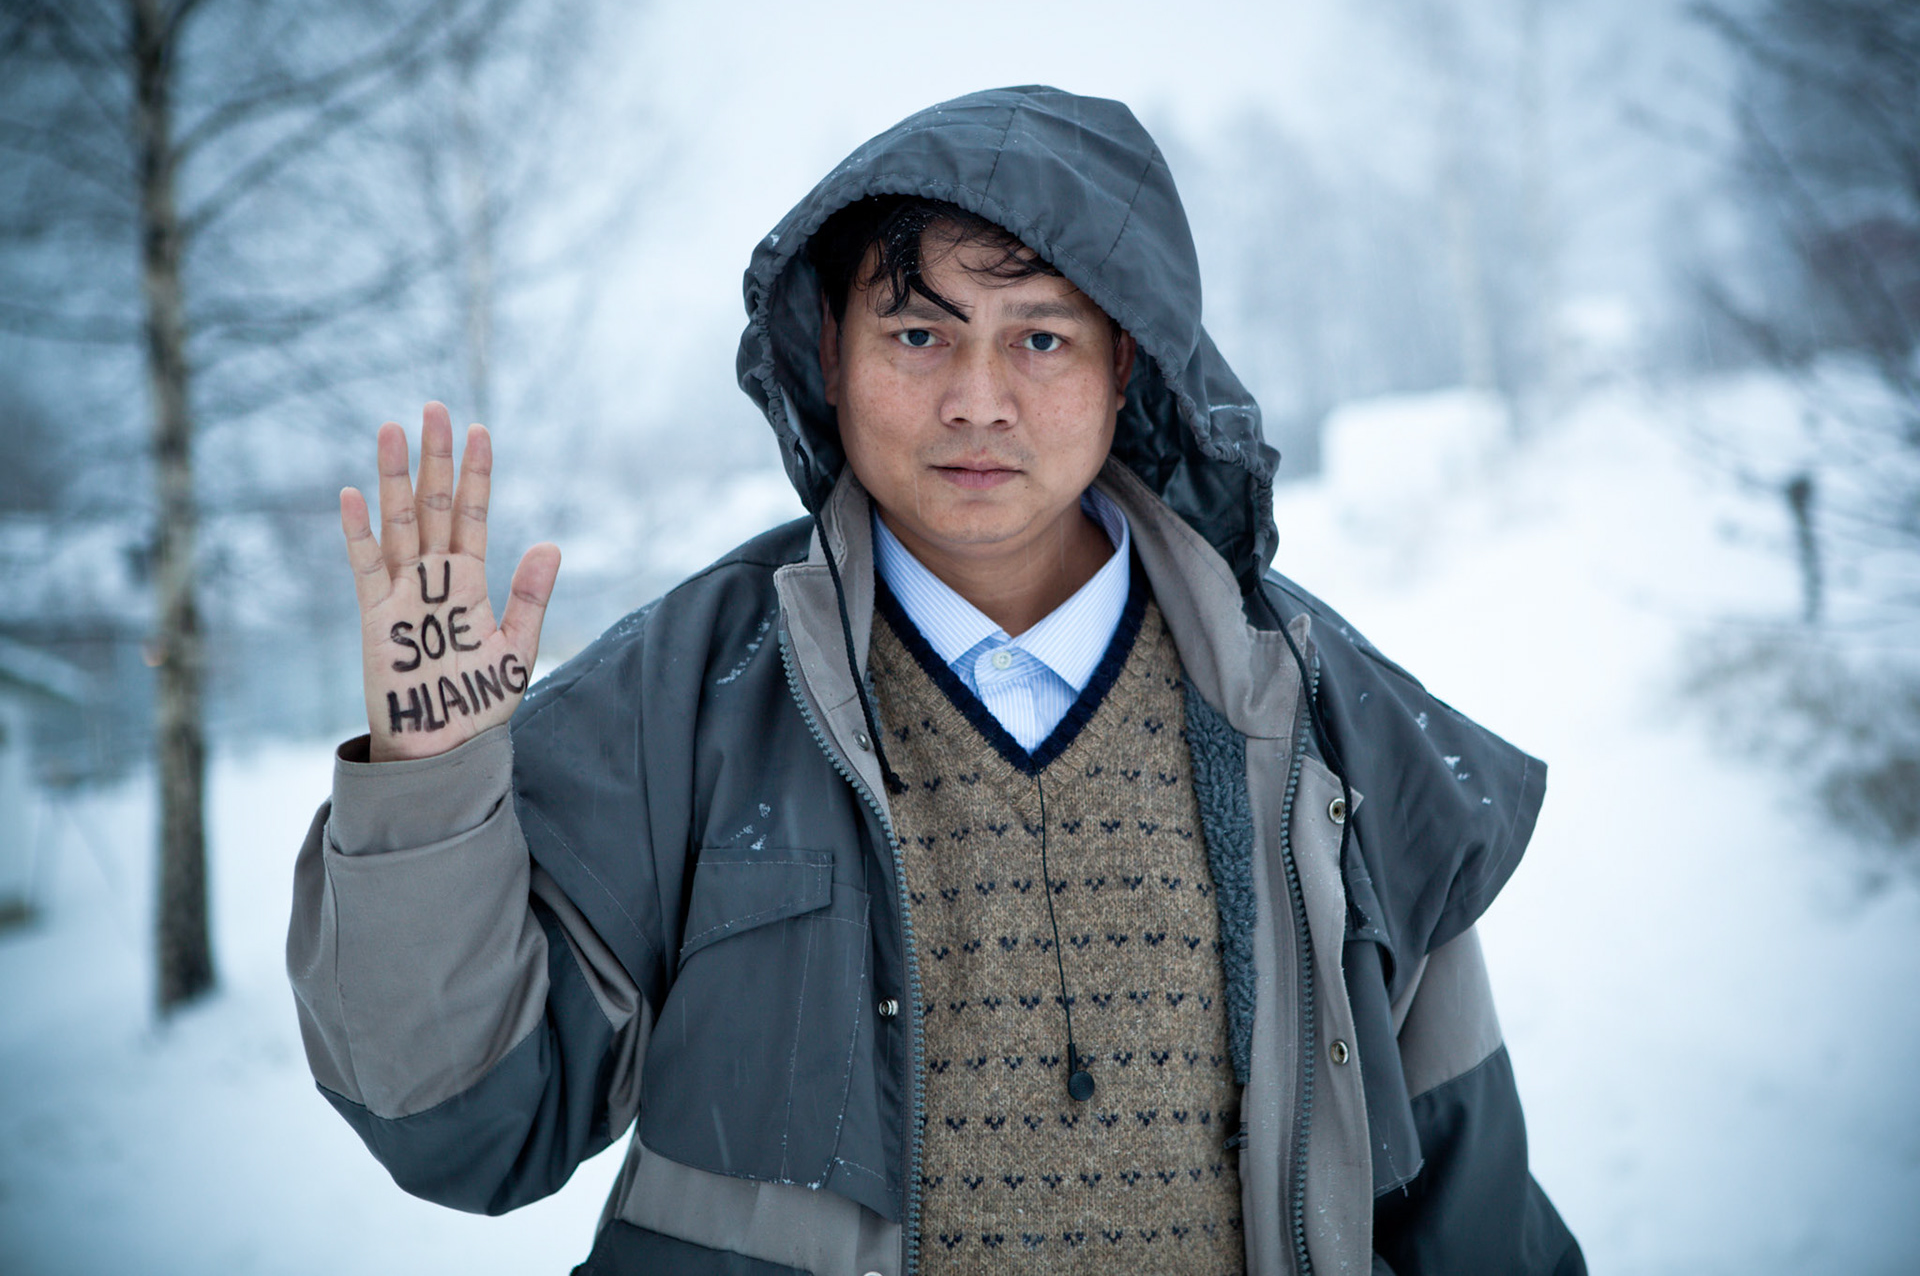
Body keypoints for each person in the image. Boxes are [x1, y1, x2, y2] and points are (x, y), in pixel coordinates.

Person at [289, 85, 1585, 1276]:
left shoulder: (1320, 719)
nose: (977, 400)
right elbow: (463, 1128)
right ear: (829, 356)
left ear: (1127, 363)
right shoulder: (681, 703)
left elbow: (1469, 1201)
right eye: (918, 332)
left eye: (1041, 339)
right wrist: (430, 784)